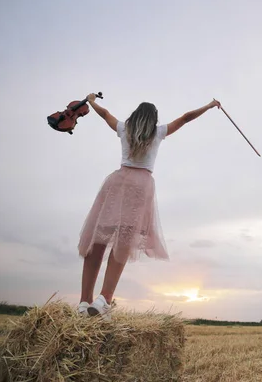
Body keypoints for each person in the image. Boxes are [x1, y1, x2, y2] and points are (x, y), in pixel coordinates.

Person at [77, 93, 221, 320]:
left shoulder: (124, 128)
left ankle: (84, 302)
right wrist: (211, 105)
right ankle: (104, 298)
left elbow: (104, 114)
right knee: (123, 243)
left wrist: (91, 100)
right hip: (140, 186)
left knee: (98, 239)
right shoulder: (158, 132)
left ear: (135, 115)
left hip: (117, 182)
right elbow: (185, 118)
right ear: (153, 119)